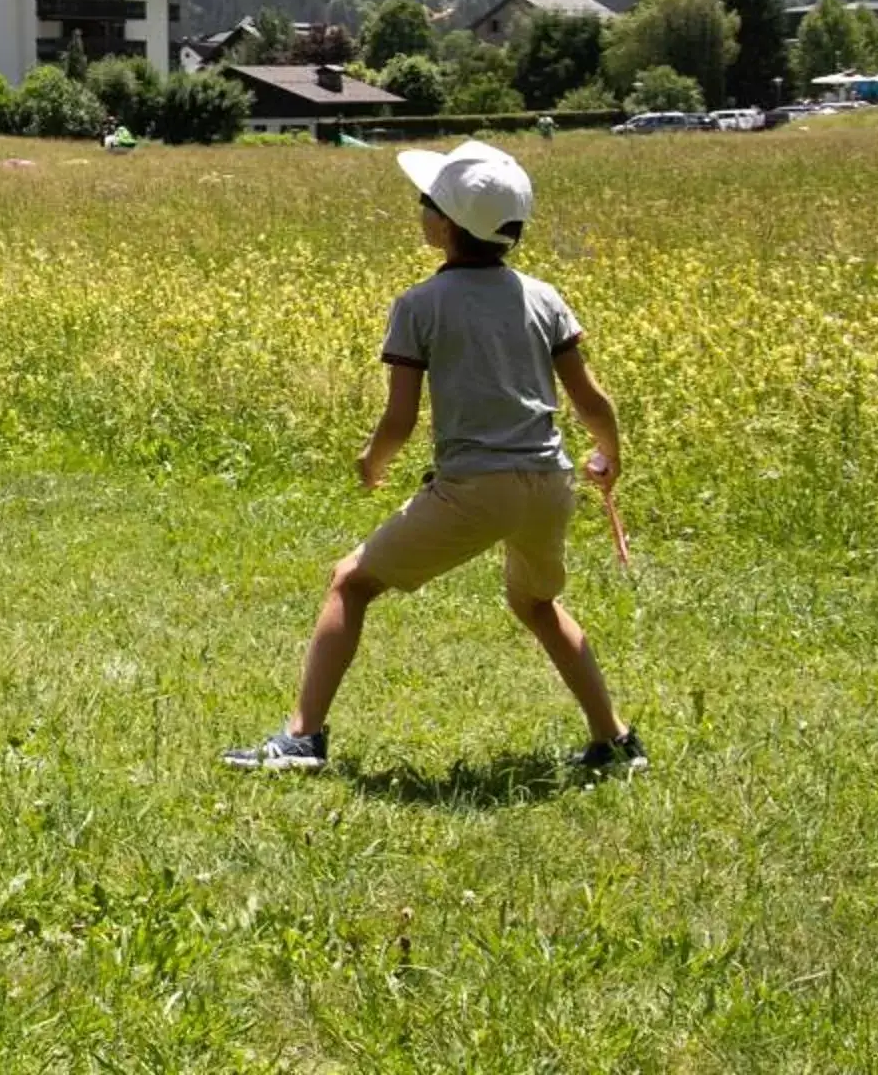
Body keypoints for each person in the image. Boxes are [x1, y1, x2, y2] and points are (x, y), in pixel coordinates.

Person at [224, 140, 642, 775]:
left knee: (351, 582)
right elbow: (591, 400)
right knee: (537, 604)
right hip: (550, 483)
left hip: (477, 488)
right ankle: (614, 744)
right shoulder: (544, 297)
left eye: (425, 202)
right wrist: (609, 456)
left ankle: (301, 739)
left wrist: (372, 462)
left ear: (444, 224)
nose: (418, 210)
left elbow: (399, 419)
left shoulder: (419, 305)